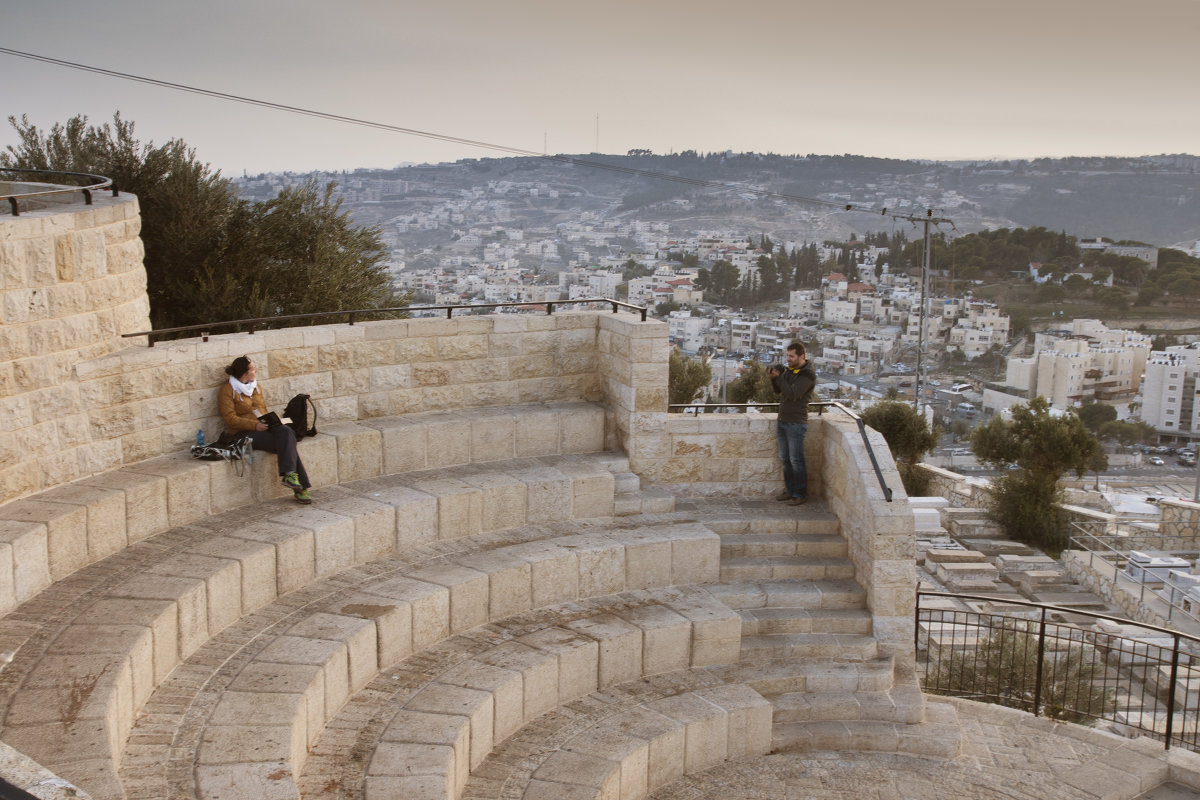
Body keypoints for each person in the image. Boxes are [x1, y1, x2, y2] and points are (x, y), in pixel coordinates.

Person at [217, 355, 313, 504]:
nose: (256, 371)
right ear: (245, 374)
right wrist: (254, 425)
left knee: (287, 432)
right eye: (253, 369)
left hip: (263, 426)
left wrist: (272, 421)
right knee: (288, 443)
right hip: (245, 433)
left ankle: (291, 476)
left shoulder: (255, 387)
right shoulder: (227, 390)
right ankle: (299, 485)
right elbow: (230, 419)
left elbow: (262, 409)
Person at [767, 341, 816, 506]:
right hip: (783, 420)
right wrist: (774, 378)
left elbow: (794, 394)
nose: (788, 359)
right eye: (787, 355)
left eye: (791, 356)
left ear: (802, 356)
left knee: (796, 460)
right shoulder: (790, 371)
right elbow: (778, 391)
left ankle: (800, 493)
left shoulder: (807, 375)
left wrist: (780, 378)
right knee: (785, 458)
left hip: (796, 422)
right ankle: (790, 490)